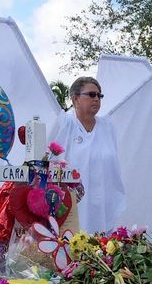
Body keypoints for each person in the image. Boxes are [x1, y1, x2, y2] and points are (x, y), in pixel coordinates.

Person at [50, 77, 127, 233]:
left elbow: (112, 169)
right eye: (91, 95)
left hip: (102, 204)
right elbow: (51, 160)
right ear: (75, 99)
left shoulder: (108, 127)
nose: (97, 99)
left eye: (99, 96)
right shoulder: (64, 123)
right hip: (71, 205)